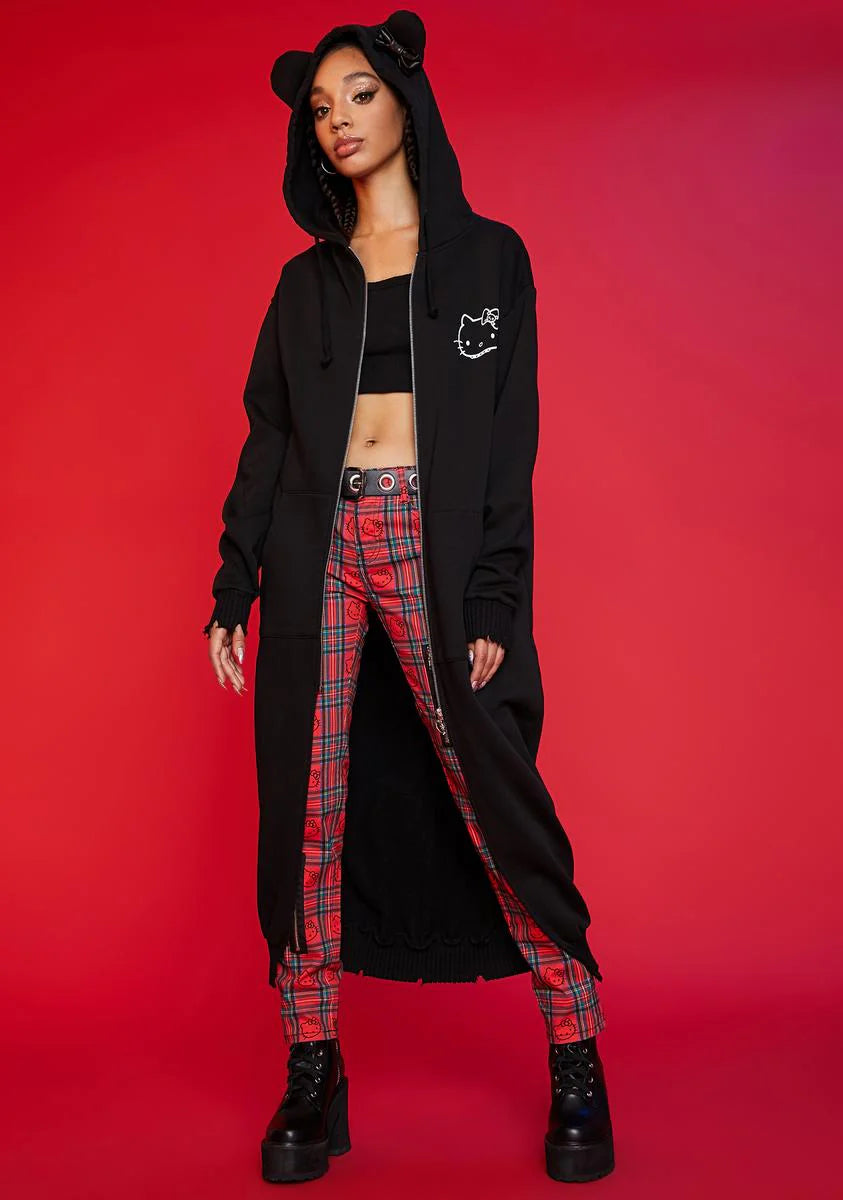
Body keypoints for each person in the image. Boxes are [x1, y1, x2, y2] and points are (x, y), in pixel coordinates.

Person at [203, 10, 615, 1185]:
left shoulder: (491, 263)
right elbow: (269, 438)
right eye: (319, 109)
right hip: (318, 540)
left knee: (492, 792)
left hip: (435, 545)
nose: (336, 120)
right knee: (311, 801)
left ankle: (576, 1048)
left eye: (357, 95)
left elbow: (509, 449)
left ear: (405, 100)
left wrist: (492, 596)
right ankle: (313, 1065)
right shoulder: (303, 285)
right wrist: (235, 580)